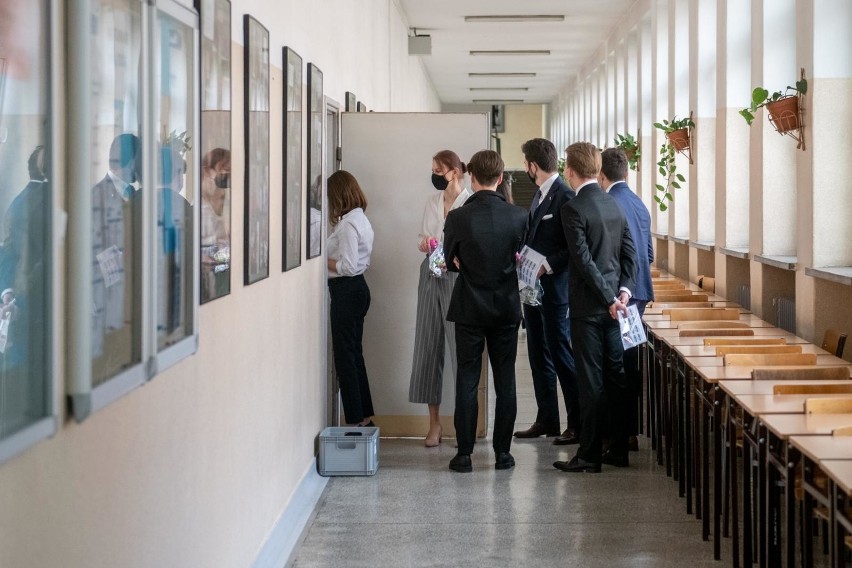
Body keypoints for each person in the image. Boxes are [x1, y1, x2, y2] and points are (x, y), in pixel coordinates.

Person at [555, 142, 637, 473]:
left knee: (591, 382)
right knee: (615, 378)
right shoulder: (613, 203)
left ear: (570, 171)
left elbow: (583, 261)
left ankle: (589, 453)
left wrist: (607, 300)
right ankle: (617, 448)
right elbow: (630, 254)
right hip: (616, 308)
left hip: (590, 310)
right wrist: (623, 294)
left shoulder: (573, 209)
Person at [443, 150, 527, 473]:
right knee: (505, 380)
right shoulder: (519, 216)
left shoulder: (458, 217)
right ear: (501, 178)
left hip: (469, 308)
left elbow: (447, 259)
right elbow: (522, 258)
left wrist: (460, 262)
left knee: (467, 379)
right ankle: (503, 453)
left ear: (472, 178)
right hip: (505, 308)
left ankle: (464, 454)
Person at [513, 138, 580, 446]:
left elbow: (573, 249)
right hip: (533, 289)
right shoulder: (540, 196)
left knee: (561, 355)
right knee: (538, 354)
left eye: (526, 164)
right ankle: (547, 418)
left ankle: (576, 423)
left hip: (554, 290)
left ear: (532, 166)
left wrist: (547, 266)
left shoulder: (565, 196)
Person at [408, 150, 473, 447]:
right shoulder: (432, 202)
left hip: (458, 279)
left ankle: (463, 423)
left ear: (455, 172)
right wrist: (425, 242)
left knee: (460, 349)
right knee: (427, 345)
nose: (434, 174)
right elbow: (425, 236)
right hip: (431, 272)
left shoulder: (469, 201)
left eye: (439, 170)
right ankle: (434, 423)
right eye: (432, 169)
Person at [599, 148, 654, 451]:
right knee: (629, 363)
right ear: (627, 173)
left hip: (620, 295)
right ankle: (630, 431)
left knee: (615, 365)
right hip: (639, 295)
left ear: (601, 175)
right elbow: (648, 255)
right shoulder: (640, 204)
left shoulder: (608, 204)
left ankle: (617, 432)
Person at [327, 170, 375, 427]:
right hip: (357, 290)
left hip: (347, 290)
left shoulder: (348, 225)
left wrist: (321, 259)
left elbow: (347, 266)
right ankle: (364, 416)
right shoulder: (359, 219)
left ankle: (355, 419)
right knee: (354, 354)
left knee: (345, 356)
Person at [200, 148, 231, 301]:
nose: (224, 180)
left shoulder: (225, 206)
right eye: (223, 172)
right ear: (206, 172)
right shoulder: (199, 211)